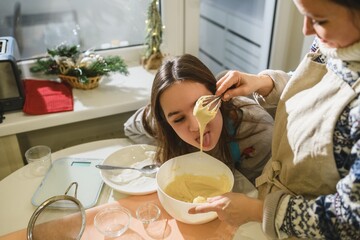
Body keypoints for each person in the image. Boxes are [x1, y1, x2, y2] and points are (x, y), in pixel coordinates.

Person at [188, 0, 360, 239]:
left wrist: (260, 211)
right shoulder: (334, 40)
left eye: (319, 20)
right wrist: (265, 83)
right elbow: (316, 90)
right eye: (304, 15)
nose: (306, 30)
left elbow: (351, 221)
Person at [124, 54, 274, 185]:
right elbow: (130, 129)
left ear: (219, 95)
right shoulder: (159, 121)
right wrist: (166, 149)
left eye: (203, 107)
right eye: (179, 119)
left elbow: (254, 193)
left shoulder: (258, 130)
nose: (196, 126)